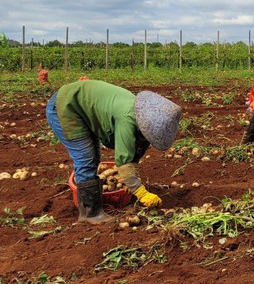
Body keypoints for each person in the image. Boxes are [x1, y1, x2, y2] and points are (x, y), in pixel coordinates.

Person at [46, 79, 182, 224]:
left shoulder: (137, 110)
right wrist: (140, 192)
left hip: (79, 104)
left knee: (94, 156)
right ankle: (90, 213)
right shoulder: (128, 119)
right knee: (86, 158)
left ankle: (91, 204)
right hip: (65, 107)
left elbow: (135, 147)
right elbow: (123, 161)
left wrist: (132, 177)